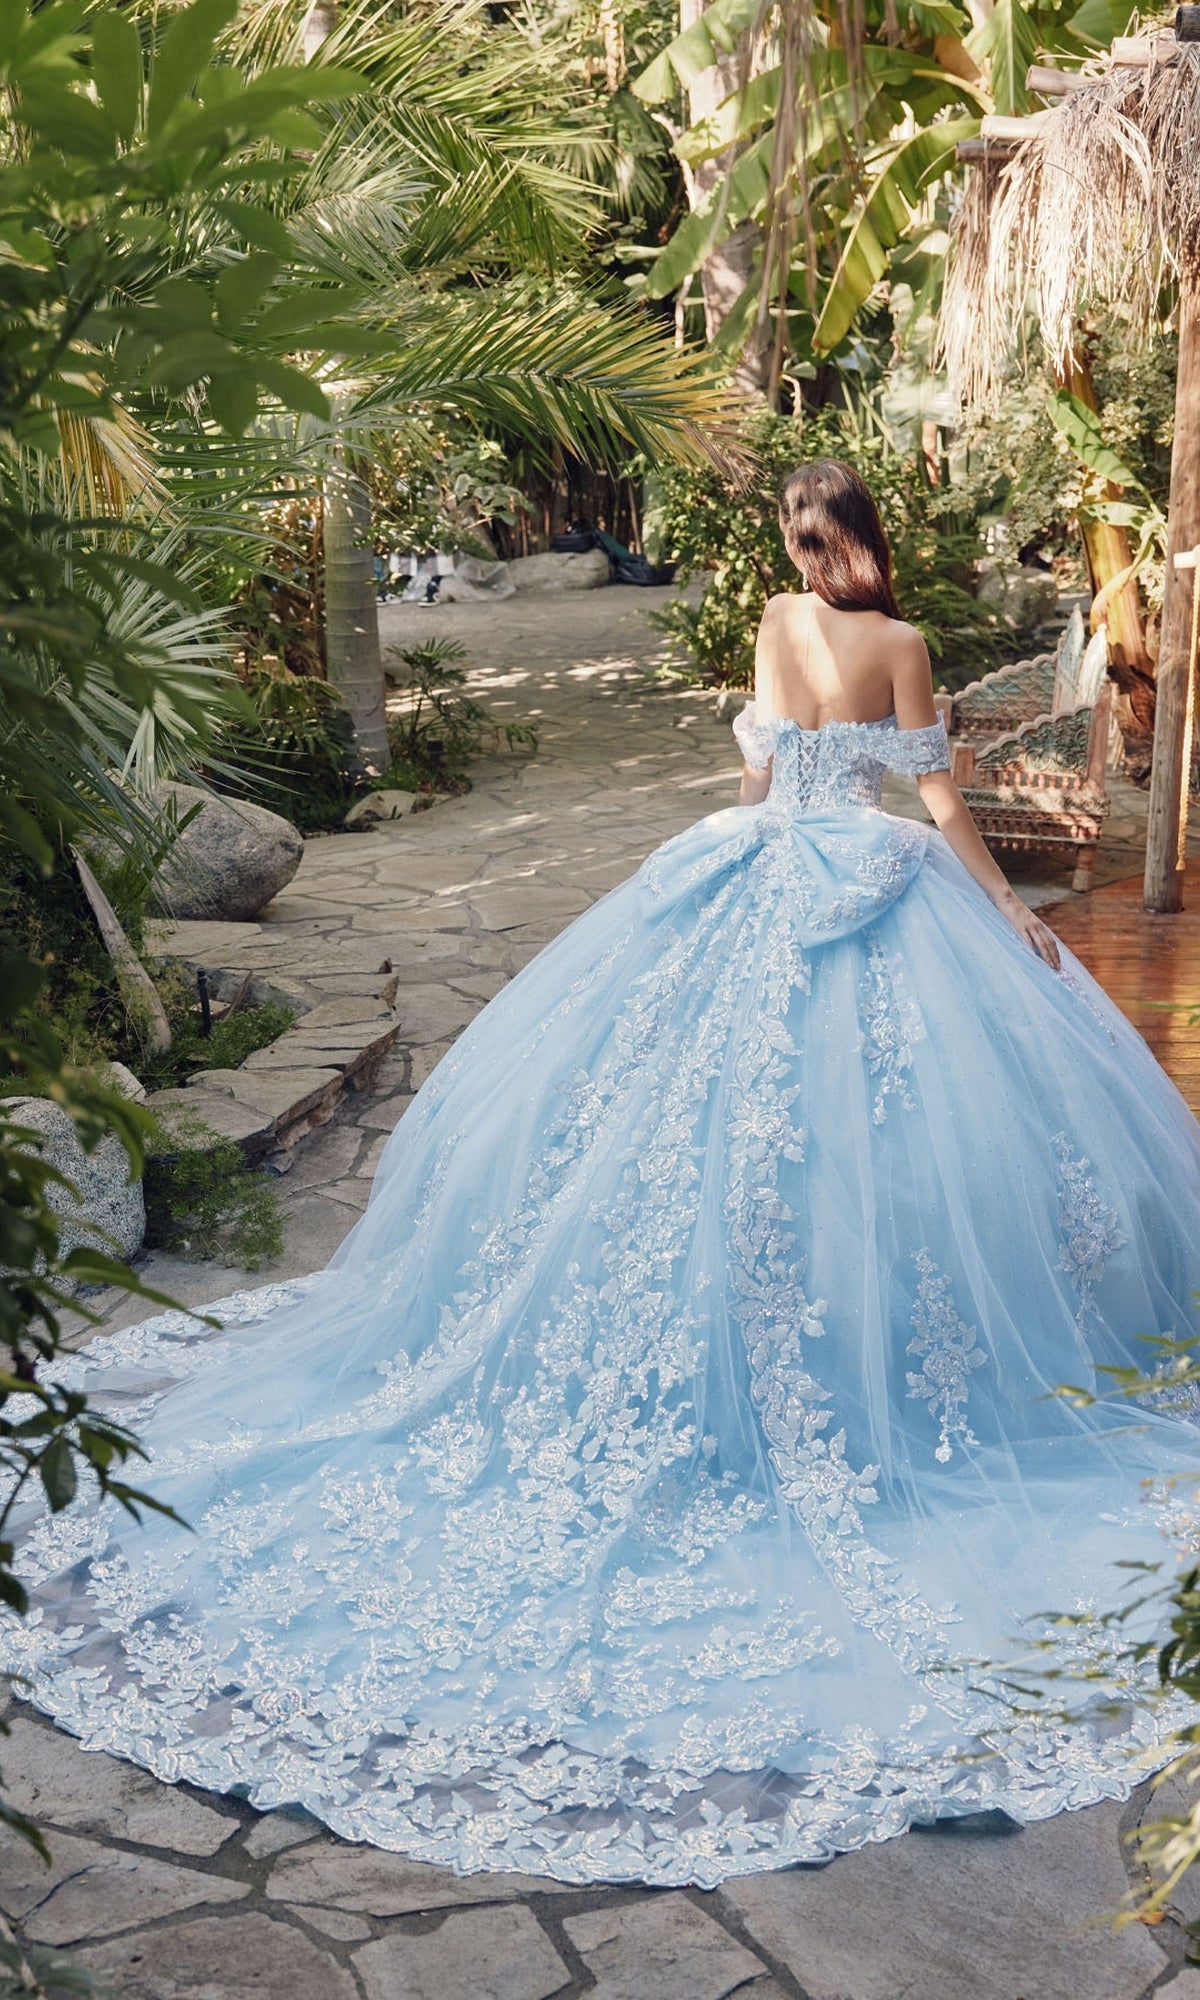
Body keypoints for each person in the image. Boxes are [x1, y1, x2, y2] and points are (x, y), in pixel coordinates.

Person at [8, 461, 1200, 1890]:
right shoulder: (900, 643)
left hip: (752, 875)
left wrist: (744, 848)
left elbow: (760, 778)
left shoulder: (775, 618)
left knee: (678, 1127)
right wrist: (1014, 922)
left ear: (798, 544)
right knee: (889, 1155)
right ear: (870, 541)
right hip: (871, 883)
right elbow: (939, 801)